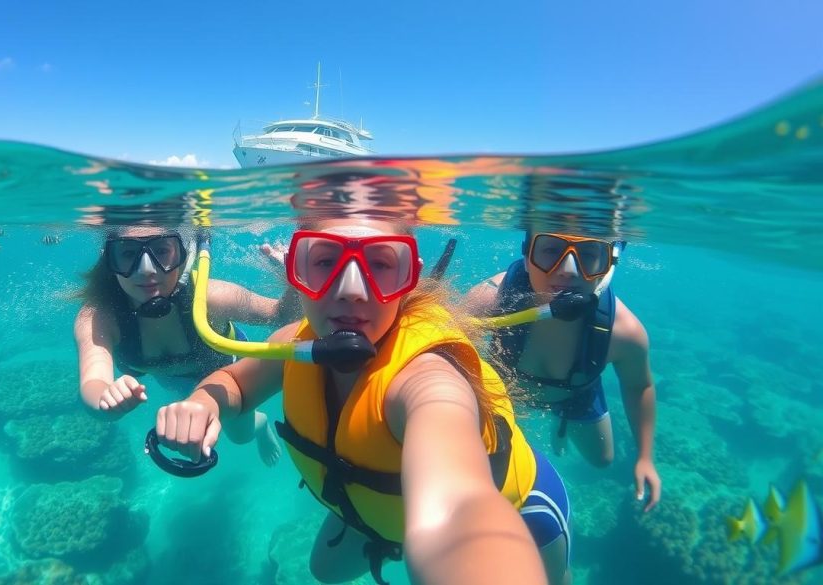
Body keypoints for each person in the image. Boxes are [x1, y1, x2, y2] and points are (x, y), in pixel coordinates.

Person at [155, 218, 569, 585]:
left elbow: (459, 504)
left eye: (380, 265)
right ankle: (385, 525)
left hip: (523, 511)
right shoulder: (294, 344)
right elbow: (235, 381)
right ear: (296, 272)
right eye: (324, 262)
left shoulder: (429, 380)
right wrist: (203, 403)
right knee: (324, 571)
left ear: (409, 279)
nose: (351, 290)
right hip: (372, 499)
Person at [464, 231, 661, 512]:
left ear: (610, 263)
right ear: (527, 253)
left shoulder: (624, 333)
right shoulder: (489, 300)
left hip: (574, 395)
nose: (568, 271)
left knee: (602, 460)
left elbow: (639, 386)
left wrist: (645, 457)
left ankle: (561, 421)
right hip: (504, 391)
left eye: (590, 254)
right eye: (550, 250)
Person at [74, 225, 298, 466]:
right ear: (110, 260)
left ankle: (261, 423)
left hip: (227, 371)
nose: (146, 270)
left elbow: (281, 315)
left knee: (240, 436)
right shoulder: (98, 317)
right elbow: (92, 380)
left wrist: (295, 280)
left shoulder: (212, 297)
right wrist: (103, 400)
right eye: (128, 254)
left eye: (161, 251)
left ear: (182, 255)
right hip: (174, 380)